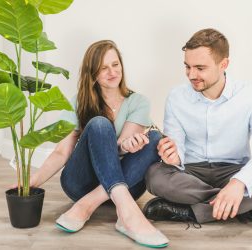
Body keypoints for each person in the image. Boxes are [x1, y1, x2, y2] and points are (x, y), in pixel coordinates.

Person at [143, 28, 252, 225]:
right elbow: (176, 146)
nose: (191, 75)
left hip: (234, 170)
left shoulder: (250, 95)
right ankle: (247, 207)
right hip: (191, 173)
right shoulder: (176, 97)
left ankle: (193, 212)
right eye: (187, 67)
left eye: (200, 68)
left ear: (224, 64)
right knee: (155, 175)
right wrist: (173, 156)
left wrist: (239, 183)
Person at [28, 40, 169, 248]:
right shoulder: (77, 102)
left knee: (156, 139)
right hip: (81, 184)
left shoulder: (138, 102)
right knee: (100, 124)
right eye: (103, 68)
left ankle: (88, 205)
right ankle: (128, 215)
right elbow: (61, 152)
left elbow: (122, 144)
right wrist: (32, 182)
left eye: (115, 64)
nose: (112, 72)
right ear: (92, 74)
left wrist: (127, 146)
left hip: (125, 184)